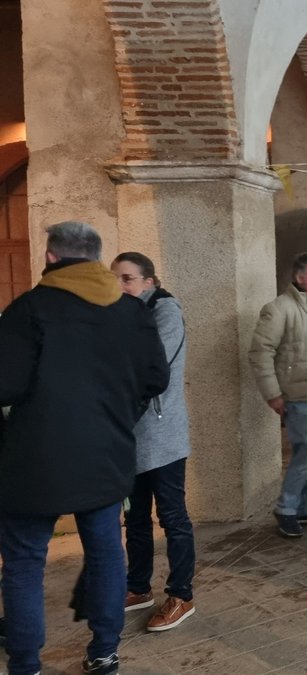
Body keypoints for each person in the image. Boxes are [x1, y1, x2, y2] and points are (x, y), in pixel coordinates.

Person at [0, 221, 168, 675]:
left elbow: (5, 385)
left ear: (51, 257)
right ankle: (104, 652)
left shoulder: (28, 309)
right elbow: (157, 379)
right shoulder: (131, 311)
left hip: (36, 458)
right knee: (106, 550)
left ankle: (25, 664)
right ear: (97, 259)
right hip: (107, 451)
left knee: (23, 560)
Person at [110, 252, 197, 632]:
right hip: (127, 432)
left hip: (161, 434)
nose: (120, 286)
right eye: (116, 278)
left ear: (149, 282)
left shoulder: (164, 311)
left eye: (127, 278)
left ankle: (182, 594)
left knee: (173, 518)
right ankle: (137, 587)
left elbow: (150, 367)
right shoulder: (120, 313)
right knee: (136, 518)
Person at [249, 252, 307, 538]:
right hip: (300, 393)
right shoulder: (279, 309)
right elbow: (260, 353)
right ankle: (286, 507)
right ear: (298, 277)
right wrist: (273, 393)